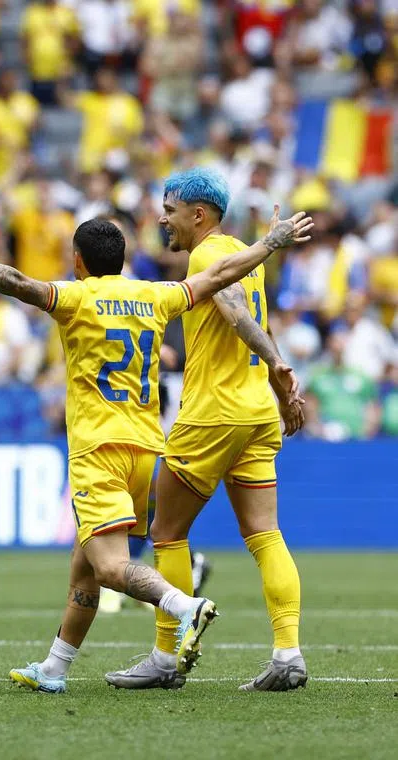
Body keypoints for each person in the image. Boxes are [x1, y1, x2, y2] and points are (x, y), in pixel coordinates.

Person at [0, 209, 313, 694]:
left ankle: (182, 605)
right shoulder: (155, 295)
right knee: (85, 563)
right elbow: (219, 276)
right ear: (124, 259)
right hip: (145, 449)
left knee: (108, 566)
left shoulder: (75, 297)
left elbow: (17, 281)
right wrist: (269, 243)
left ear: (77, 261)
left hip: (97, 449)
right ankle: (55, 669)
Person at [107, 169, 308, 692]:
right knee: (266, 535)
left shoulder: (205, 255)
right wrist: (279, 381)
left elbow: (235, 311)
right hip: (257, 412)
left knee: (166, 532)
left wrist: (279, 366)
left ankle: (164, 657)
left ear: (199, 214)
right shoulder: (249, 255)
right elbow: (255, 317)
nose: (161, 218)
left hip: (211, 414)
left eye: (169, 208)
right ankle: (288, 652)